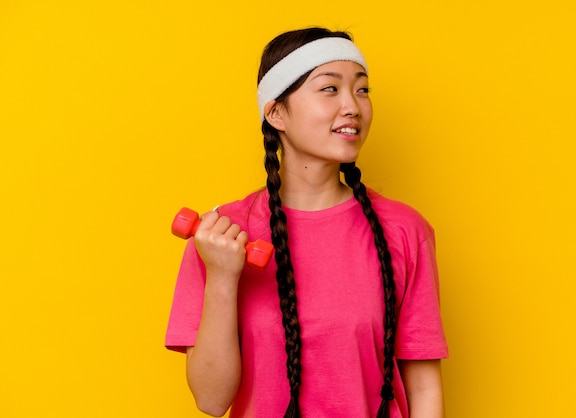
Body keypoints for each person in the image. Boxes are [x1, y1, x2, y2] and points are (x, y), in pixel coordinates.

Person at [165, 27, 448, 418]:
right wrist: (223, 277)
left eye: (362, 89)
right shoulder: (222, 235)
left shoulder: (405, 230)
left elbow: (424, 387)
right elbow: (212, 401)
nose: (353, 106)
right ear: (276, 112)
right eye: (330, 89)